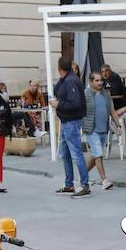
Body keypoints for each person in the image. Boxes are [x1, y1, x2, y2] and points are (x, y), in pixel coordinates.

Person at [50, 55, 90, 197]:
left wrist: (58, 104)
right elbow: (57, 90)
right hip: (66, 121)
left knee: (76, 154)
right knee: (65, 154)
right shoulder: (66, 80)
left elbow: (75, 104)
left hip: (71, 121)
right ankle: (69, 184)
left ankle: (85, 185)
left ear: (59, 68)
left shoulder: (72, 81)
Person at [82, 70, 119, 191]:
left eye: (101, 80)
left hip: (104, 129)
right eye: (97, 80)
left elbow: (112, 110)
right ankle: (104, 180)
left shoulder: (106, 94)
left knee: (95, 155)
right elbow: (79, 109)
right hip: (91, 129)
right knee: (98, 154)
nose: (100, 83)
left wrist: (118, 125)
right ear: (91, 82)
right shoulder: (86, 94)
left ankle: (83, 176)